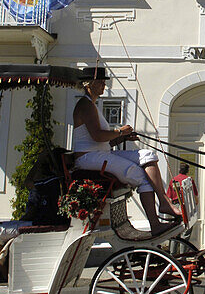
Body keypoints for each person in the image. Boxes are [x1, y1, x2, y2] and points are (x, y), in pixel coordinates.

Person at [72, 66, 181, 235]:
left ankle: (164, 201)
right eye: (100, 82)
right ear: (88, 84)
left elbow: (102, 140)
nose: (103, 85)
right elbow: (97, 136)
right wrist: (120, 132)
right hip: (88, 157)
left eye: (103, 82)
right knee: (142, 177)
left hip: (100, 154)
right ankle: (155, 224)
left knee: (147, 155)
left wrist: (122, 138)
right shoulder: (85, 105)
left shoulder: (92, 104)